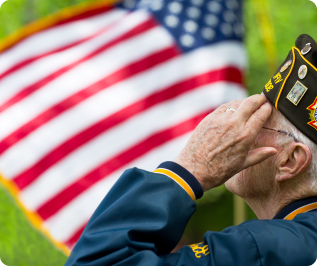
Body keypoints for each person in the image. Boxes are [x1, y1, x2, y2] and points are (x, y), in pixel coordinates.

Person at [64, 34, 317, 265]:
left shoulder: (264, 248)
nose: (236, 129)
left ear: (291, 161)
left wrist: (192, 167)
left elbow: (97, 261)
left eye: (259, 121)